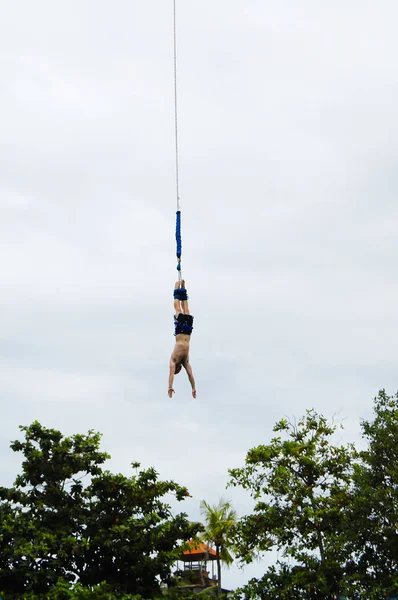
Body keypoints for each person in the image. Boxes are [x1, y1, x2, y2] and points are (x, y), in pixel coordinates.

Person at [168, 280, 196, 398]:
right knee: (187, 311)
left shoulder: (173, 361)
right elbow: (190, 375)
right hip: (188, 332)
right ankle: (183, 290)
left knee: (178, 310)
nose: (178, 371)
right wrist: (193, 388)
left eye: (177, 371)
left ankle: (176, 290)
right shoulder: (185, 362)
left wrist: (170, 386)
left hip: (180, 331)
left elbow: (170, 375)